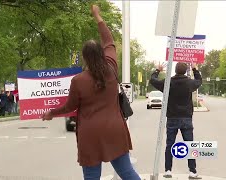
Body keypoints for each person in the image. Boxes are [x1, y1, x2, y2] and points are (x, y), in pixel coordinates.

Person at [41, 5, 140, 180]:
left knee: (92, 177)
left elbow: (69, 107)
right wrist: (98, 16)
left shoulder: (78, 80)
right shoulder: (111, 68)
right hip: (114, 130)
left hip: (90, 134)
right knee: (127, 172)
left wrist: (51, 113)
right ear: (101, 54)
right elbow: (109, 40)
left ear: (85, 57)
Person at [150, 62, 202, 179]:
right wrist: (195, 69)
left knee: (170, 145)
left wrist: (157, 70)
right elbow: (199, 81)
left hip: (172, 117)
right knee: (190, 145)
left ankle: (168, 170)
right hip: (186, 118)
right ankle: (192, 171)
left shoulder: (168, 83)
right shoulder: (190, 83)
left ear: (175, 70)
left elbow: (153, 80)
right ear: (185, 71)